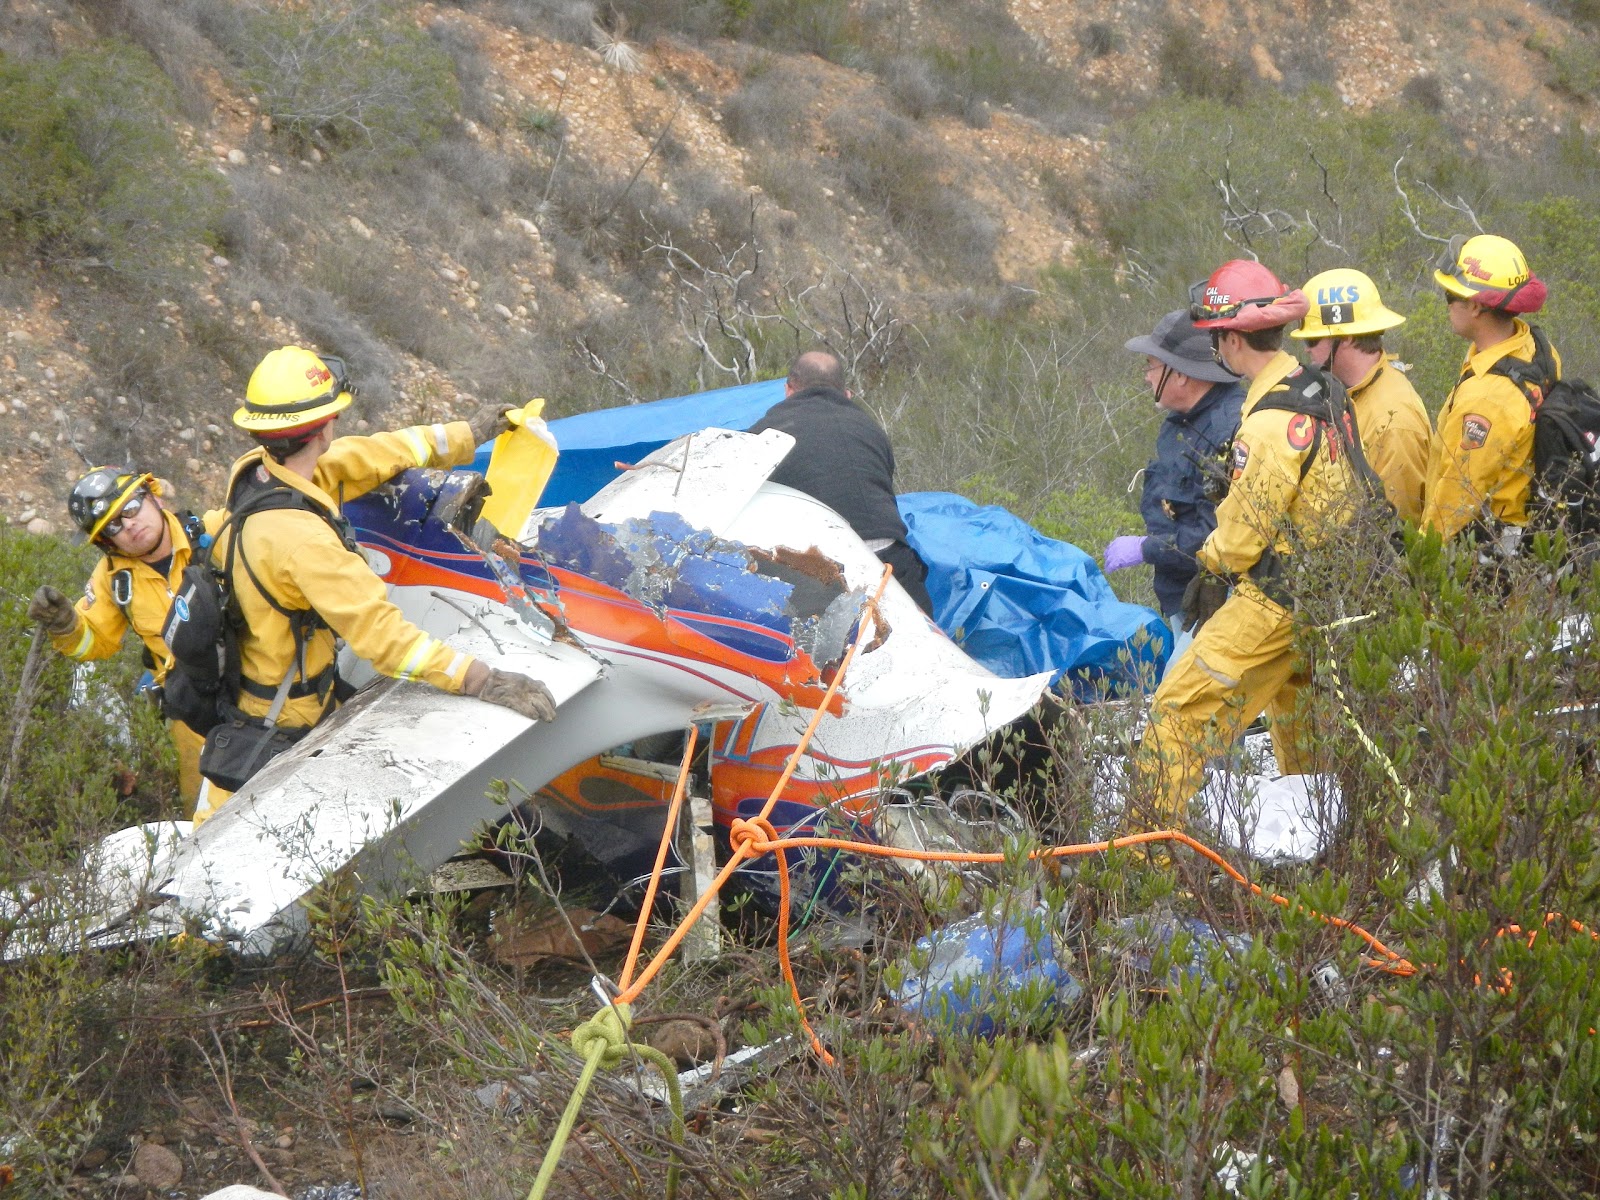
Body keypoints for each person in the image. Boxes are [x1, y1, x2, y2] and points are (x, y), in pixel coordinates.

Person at [200, 346, 559, 820]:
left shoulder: (259, 472)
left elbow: (376, 453)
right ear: (325, 426)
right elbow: (386, 640)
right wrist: (480, 679)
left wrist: (468, 433)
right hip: (281, 724)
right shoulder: (304, 543)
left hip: (255, 691)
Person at [1130, 260, 1366, 832]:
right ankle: (1322, 840)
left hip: (1277, 600)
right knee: (1299, 719)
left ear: (1234, 338)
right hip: (1329, 596)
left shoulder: (1266, 423)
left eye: (1217, 337)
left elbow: (1236, 545)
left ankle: (1142, 857)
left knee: (1177, 714)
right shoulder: (1319, 389)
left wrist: (1193, 556)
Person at [28, 468, 220, 814]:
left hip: (262, 689)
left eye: (131, 507)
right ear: (106, 542)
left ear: (154, 496)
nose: (128, 524)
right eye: (113, 525)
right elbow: (94, 640)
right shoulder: (114, 579)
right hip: (194, 716)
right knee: (208, 816)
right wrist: (65, 625)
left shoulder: (218, 534)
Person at [1103, 310, 1245, 669]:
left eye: (1152, 366)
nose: (1147, 378)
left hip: (1219, 605)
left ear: (1179, 374)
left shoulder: (1229, 428)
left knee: (1178, 713)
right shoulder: (1179, 424)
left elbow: (1218, 536)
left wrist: (1146, 548)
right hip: (1184, 598)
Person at [750, 349, 934, 615]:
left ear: (788, 390)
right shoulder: (871, 429)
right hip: (892, 567)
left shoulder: (763, 432)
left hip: (816, 572)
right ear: (847, 394)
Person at [1421, 234, 1556, 549]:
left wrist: (1421, 560)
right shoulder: (1532, 344)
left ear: (1476, 306)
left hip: (1486, 551)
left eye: (1449, 294)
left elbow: (1456, 497)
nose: (1447, 304)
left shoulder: (1486, 401)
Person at [1290, 268, 1431, 524]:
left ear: (1345, 337)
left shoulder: (1391, 422)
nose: (1307, 351)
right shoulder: (1348, 393)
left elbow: (1396, 530)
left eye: (1311, 340)